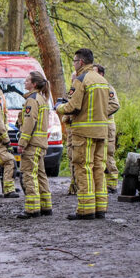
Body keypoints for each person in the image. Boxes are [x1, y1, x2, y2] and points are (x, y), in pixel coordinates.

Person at [55, 48, 109, 220]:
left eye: (74, 61)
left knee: (83, 168)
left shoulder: (81, 79)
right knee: (98, 168)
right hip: (102, 131)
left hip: (84, 132)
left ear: (81, 62)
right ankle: (100, 207)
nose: (74, 64)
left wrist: (59, 108)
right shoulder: (102, 80)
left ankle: (85, 210)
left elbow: (73, 106)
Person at [17, 71, 52, 218]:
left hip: (32, 144)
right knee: (40, 175)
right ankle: (46, 206)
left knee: (29, 175)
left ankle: (32, 209)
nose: (24, 83)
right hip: (41, 143)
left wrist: (22, 143)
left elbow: (29, 123)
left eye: (27, 81)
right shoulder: (42, 99)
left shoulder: (32, 100)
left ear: (34, 84)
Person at [93, 64, 121, 193]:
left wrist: (100, 114)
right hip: (97, 126)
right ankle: (101, 183)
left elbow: (115, 105)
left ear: (102, 74)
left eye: (94, 72)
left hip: (107, 126)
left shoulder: (107, 87)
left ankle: (112, 183)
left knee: (108, 154)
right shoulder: (94, 87)